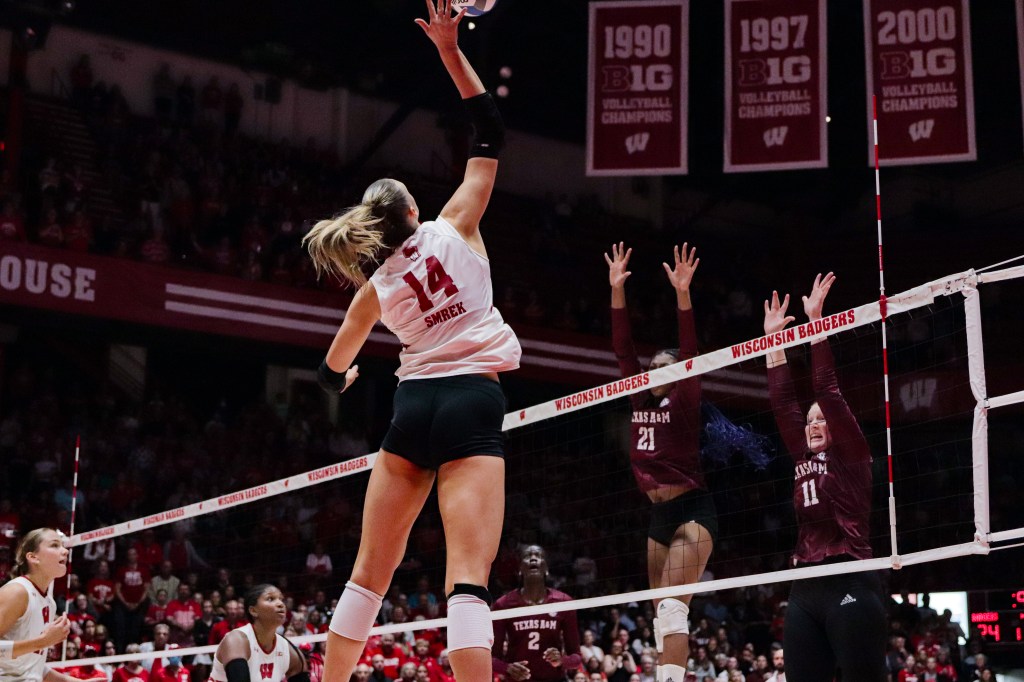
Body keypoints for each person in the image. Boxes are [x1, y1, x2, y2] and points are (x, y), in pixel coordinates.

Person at [304, 3, 519, 682]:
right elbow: (489, 126)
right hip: (471, 406)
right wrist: (450, 50)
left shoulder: (378, 288)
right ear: (415, 213)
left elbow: (334, 359)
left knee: (368, 576)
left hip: (411, 412)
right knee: (467, 578)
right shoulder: (456, 223)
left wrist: (338, 381)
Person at [605, 243, 768, 682]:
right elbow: (623, 350)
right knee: (663, 614)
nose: (656, 369)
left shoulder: (685, 399)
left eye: (665, 366)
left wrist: (683, 293)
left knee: (674, 606)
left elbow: (691, 350)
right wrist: (617, 289)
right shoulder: (638, 395)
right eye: (653, 364)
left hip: (693, 511)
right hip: (657, 516)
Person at [763, 273, 886, 682]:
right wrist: (773, 342)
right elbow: (782, 403)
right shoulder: (801, 452)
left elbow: (826, 389)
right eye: (810, 420)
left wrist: (816, 322)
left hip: (849, 575)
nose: (814, 424)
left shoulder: (852, 453)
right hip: (805, 587)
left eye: (821, 420)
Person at [491, 546, 581, 682]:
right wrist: (507, 668)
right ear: (520, 569)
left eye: (539, 556)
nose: (533, 558)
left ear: (546, 568)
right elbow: (491, 658)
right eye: (528, 556)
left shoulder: (564, 602)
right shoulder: (503, 605)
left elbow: (577, 658)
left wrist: (562, 660)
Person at [0, 527, 77, 681]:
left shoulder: (49, 602)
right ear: (33, 557)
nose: (65, 551)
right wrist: (42, 642)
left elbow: (31, 666)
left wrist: (74, 681)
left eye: (62, 545)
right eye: (55, 545)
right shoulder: (18, 592)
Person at [208, 584, 307, 682]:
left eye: (281, 599)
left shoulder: (289, 651)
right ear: (253, 610)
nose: (280, 604)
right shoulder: (236, 640)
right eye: (270, 599)